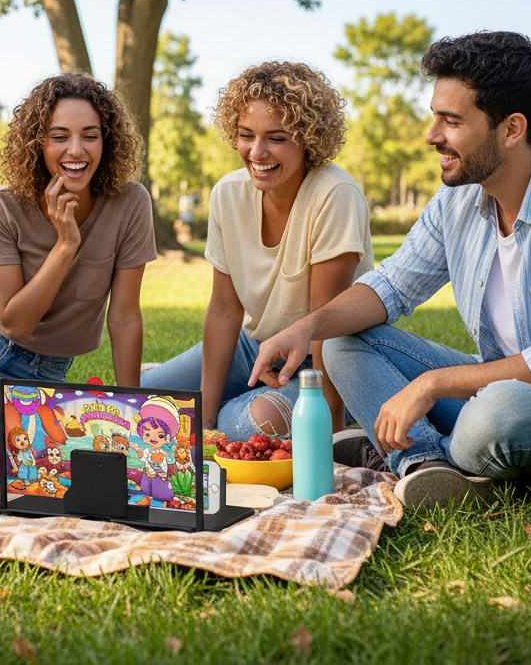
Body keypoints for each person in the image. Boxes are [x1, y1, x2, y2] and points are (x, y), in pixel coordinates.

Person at [250, 32, 531, 507]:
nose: (432, 135)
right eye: (435, 117)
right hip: (498, 393)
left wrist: (431, 384)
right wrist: (306, 327)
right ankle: (427, 466)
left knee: (499, 413)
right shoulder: (459, 197)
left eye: (451, 121)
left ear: (512, 129)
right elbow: (394, 285)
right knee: (340, 339)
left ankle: (423, 452)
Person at [141, 62, 374, 441]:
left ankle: (253, 403)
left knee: (251, 425)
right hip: (255, 348)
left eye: (277, 138)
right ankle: (174, 384)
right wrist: (206, 421)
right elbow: (223, 311)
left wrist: (331, 428)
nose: (257, 152)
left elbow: (325, 326)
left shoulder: (335, 195)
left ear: (308, 139)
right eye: (246, 135)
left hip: (330, 360)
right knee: (143, 405)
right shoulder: (228, 194)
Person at [0, 72, 157, 438]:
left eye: (90, 136)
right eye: (59, 137)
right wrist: (65, 246)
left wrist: (133, 410)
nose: (76, 150)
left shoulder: (130, 203)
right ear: (37, 143)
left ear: (106, 143)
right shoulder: (0, 206)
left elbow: (124, 317)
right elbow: (15, 323)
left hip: (40, 373)